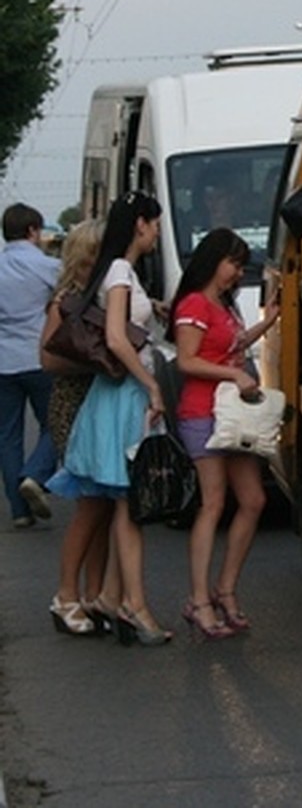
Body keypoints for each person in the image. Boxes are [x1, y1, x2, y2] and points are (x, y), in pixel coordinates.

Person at [46, 191, 172, 646]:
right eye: (155, 223)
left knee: (123, 501)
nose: (158, 231)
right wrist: (151, 383)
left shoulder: (119, 271)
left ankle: (117, 596)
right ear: (140, 224)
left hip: (118, 396)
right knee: (127, 502)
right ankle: (130, 603)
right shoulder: (120, 270)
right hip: (125, 397)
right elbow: (118, 339)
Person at [168, 227, 280, 641]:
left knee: (252, 499)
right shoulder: (195, 304)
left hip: (233, 414)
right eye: (233, 262)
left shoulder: (222, 305)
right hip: (203, 412)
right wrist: (232, 373)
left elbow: (230, 345)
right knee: (213, 503)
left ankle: (225, 588)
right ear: (213, 260)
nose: (237, 272)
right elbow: (187, 361)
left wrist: (266, 323)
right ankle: (200, 599)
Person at [39, 218, 117, 636]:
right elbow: (48, 359)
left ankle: (93, 592)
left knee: (103, 504)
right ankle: (66, 594)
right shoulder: (67, 300)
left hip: (99, 405)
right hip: (75, 405)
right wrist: (97, 360)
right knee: (90, 502)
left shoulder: (101, 297)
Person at [0, 203, 61, 530]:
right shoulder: (48, 266)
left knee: (7, 435)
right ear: (32, 231)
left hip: (2, 362)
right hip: (39, 357)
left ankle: (19, 510)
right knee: (55, 424)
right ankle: (36, 475)